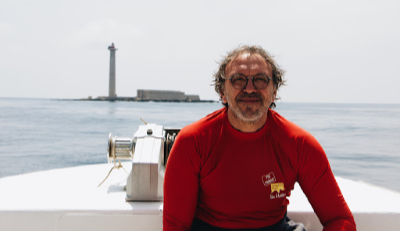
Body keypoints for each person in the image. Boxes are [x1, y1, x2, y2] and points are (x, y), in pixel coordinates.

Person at [163, 45, 356, 231]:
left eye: (260, 80)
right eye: (238, 79)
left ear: (274, 92)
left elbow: (340, 220)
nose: (249, 88)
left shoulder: (299, 144)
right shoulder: (192, 141)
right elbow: (175, 227)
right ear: (222, 92)